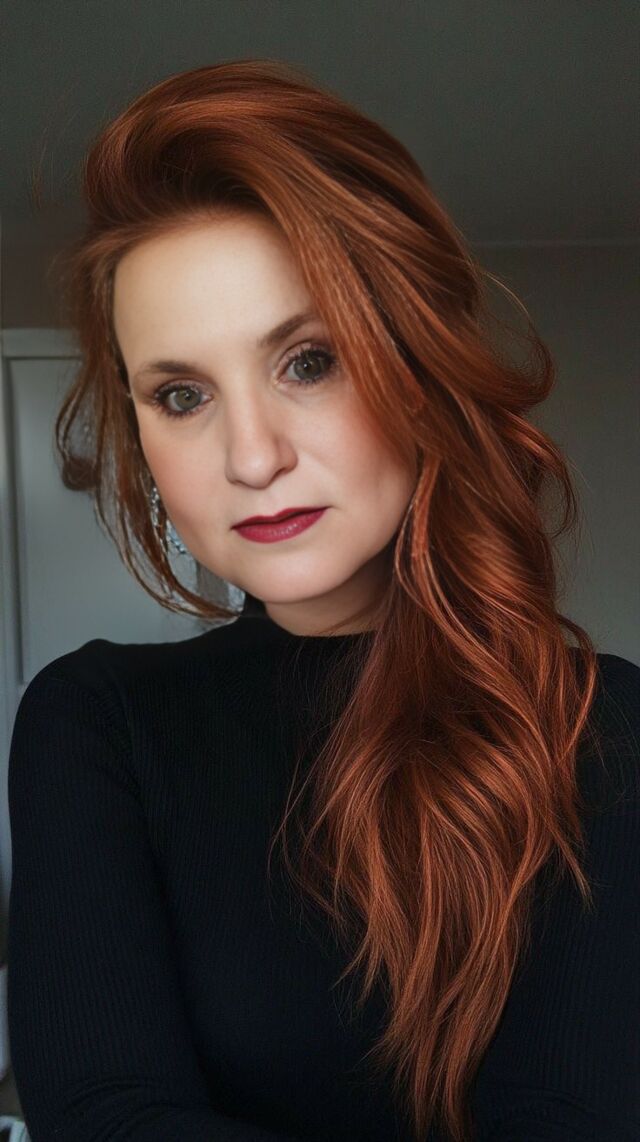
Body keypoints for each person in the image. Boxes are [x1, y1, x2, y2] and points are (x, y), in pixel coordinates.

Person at [7, 59, 639, 1142]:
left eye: (308, 361)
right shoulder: (97, 721)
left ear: (420, 371)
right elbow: (106, 1112)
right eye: (181, 394)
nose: (251, 456)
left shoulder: (602, 724)